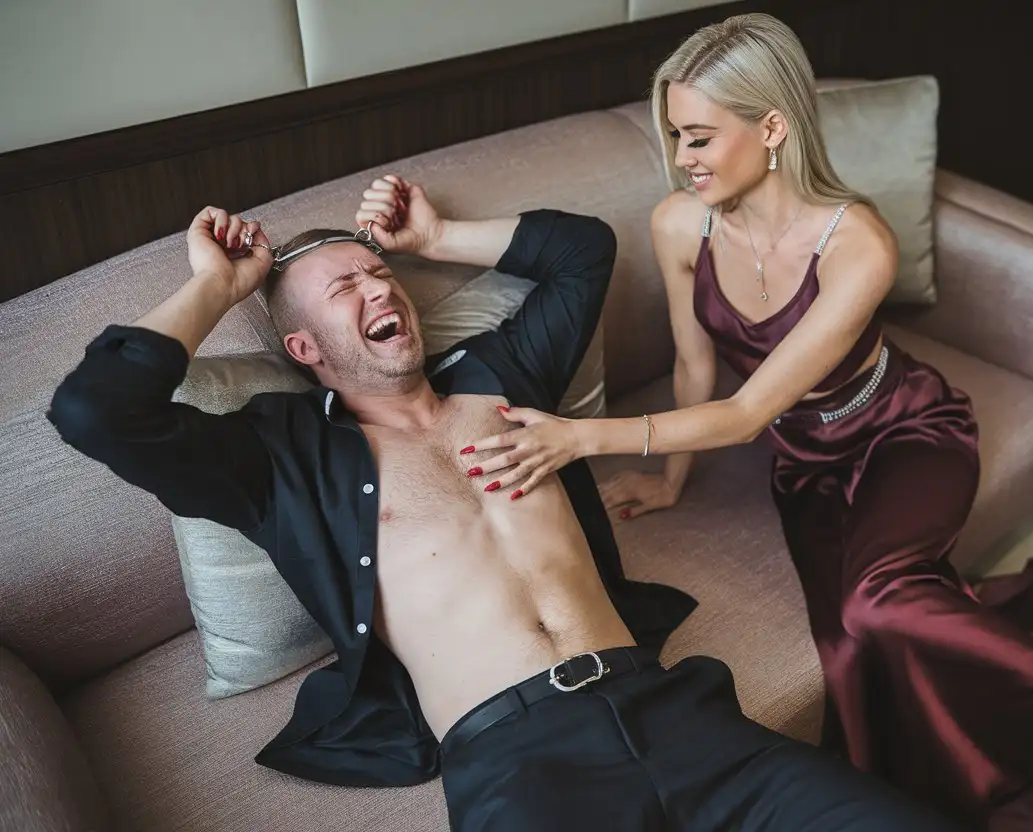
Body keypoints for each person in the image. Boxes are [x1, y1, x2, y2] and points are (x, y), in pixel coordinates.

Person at [457, 12, 1033, 830]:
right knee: (851, 651)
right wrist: (666, 481)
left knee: (883, 608)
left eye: (698, 137)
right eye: (674, 138)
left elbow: (748, 408)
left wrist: (580, 435)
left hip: (904, 433)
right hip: (807, 461)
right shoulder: (677, 223)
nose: (682, 161)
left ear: (772, 127)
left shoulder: (857, 242)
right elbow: (697, 369)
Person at [47, 181, 964, 831]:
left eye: (381, 275)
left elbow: (581, 253)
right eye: (347, 288)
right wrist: (217, 285)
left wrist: (434, 237)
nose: (381, 290)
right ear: (303, 345)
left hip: (675, 712)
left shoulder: (496, 380)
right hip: (523, 765)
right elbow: (95, 411)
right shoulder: (279, 456)